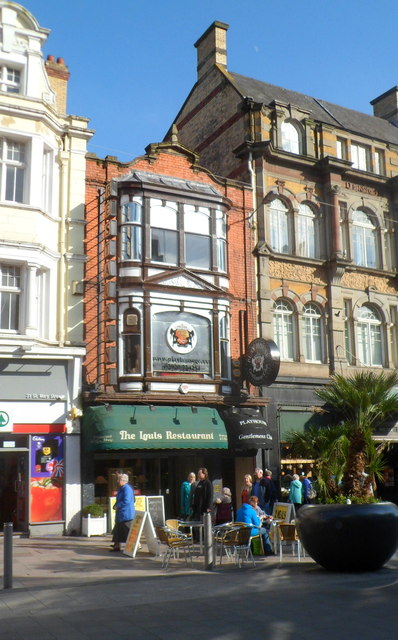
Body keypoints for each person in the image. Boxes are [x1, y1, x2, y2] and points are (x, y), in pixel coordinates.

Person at [110, 473, 135, 552]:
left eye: (118, 480)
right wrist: (115, 505)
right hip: (121, 514)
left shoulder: (127, 488)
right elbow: (119, 499)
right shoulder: (122, 488)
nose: (117, 481)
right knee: (118, 529)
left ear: (123, 480)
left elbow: (127, 500)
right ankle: (116, 545)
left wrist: (118, 506)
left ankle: (137, 545)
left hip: (126, 514)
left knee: (127, 530)